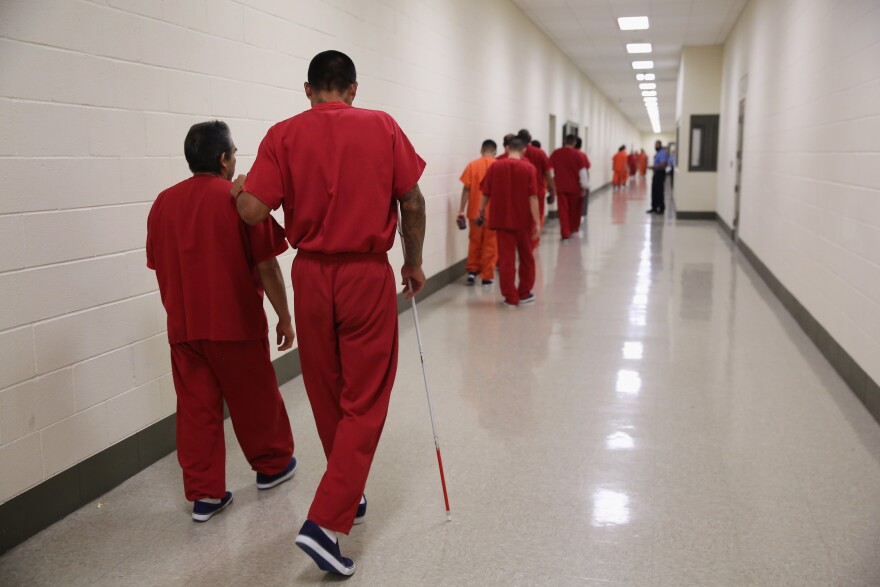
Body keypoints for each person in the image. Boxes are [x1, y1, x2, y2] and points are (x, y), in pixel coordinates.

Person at [233, 50, 426, 577]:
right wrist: (412, 262)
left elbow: (251, 211)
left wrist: (239, 188)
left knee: (326, 391)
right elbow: (412, 202)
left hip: (312, 276)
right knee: (366, 397)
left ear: (308, 89)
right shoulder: (383, 126)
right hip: (366, 275)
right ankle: (323, 524)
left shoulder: (283, 134)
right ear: (353, 89)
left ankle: (348, 490)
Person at [146, 121, 296, 523]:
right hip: (234, 323)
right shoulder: (239, 201)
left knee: (196, 410)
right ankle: (273, 466)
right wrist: (284, 316)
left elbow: (159, 263)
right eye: (235, 154)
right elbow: (267, 266)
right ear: (224, 158)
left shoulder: (163, 203)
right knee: (256, 399)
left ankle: (205, 495)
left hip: (184, 328)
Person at [477, 137, 540, 308]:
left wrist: (481, 210)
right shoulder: (529, 168)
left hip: (502, 220)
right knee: (527, 257)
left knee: (506, 259)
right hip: (524, 222)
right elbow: (533, 197)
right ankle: (524, 293)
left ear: (507, 149)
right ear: (523, 150)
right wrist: (537, 222)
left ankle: (510, 297)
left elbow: (486, 193)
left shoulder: (495, 167)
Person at [457, 139, 498, 285]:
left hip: (475, 212)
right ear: (495, 152)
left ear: (481, 150)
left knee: (474, 242)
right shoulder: (498, 166)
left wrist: (461, 210)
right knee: (490, 245)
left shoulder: (472, 165)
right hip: (493, 214)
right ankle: (486, 276)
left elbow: (466, 189)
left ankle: (472, 272)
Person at [517, 129, 556, 247]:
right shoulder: (539, 153)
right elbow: (548, 173)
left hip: (518, 192)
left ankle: (521, 242)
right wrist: (552, 189)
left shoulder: (515, 153)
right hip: (537, 191)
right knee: (537, 217)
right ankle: (533, 242)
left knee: (519, 217)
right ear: (530, 139)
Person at [549, 134, 590, 240]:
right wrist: (584, 187)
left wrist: (552, 184)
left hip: (561, 187)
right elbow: (583, 172)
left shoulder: (556, 153)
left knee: (563, 210)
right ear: (574, 142)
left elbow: (550, 169)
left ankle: (565, 232)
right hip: (575, 188)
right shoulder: (578, 155)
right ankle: (574, 228)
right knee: (574, 210)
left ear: (564, 141)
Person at [648, 140, 669, 214]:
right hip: (656, 173)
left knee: (659, 191)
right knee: (654, 191)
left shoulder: (662, 153)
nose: (656, 146)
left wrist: (653, 167)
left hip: (660, 174)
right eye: (655, 145)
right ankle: (654, 207)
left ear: (660, 145)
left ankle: (661, 208)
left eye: (657, 145)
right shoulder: (658, 153)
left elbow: (663, 164)